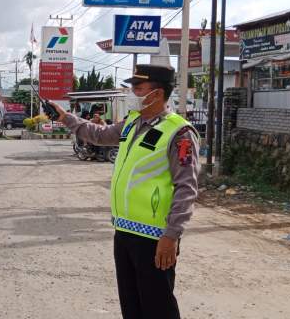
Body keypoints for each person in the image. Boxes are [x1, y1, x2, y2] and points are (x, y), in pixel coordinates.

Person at [48, 64, 200, 319]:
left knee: (158, 308)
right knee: (132, 306)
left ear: (157, 93)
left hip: (155, 237)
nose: (132, 93)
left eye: (138, 88)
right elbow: (99, 134)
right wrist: (65, 117)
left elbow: (187, 187)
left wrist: (172, 235)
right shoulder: (132, 122)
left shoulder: (180, 132)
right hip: (125, 231)